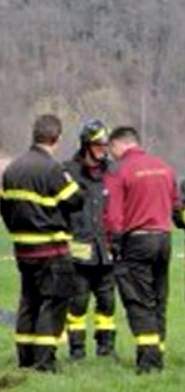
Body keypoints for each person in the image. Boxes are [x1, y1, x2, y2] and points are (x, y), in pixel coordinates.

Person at [0, 114, 84, 372]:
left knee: (29, 300)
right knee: (54, 302)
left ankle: (25, 357)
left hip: (23, 248)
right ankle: (45, 361)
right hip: (51, 248)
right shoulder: (52, 169)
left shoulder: (12, 169)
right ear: (56, 138)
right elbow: (76, 201)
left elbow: (5, 207)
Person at [104, 126, 182, 374]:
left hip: (136, 241)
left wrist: (113, 243)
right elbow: (177, 206)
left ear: (119, 144)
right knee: (159, 297)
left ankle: (149, 362)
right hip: (163, 239)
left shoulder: (119, 171)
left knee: (139, 300)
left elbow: (114, 214)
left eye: (111, 148)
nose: (110, 153)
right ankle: (157, 349)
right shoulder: (164, 167)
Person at [63, 119, 117, 359]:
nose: (102, 150)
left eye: (105, 145)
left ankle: (105, 348)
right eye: (97, 145)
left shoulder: (112, 172)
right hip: (79, 248)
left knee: (107, 302)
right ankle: (77, 350)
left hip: (106, 248)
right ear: (86, 145)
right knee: (78, 303)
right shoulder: (69, 172)